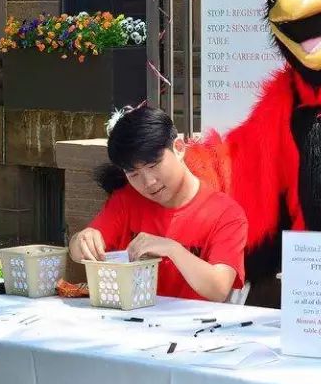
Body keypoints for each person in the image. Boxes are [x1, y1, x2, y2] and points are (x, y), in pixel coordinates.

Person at [68, 106, 248, 302]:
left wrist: (173, 249)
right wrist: (81, 241)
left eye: (154, 165)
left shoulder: (226, 213)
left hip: (192, 327)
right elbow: (77, 252)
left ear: (178, 148)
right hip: (128, 320)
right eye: (134, 174)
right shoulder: (126, 201)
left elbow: (219, 288)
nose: (148, 182)